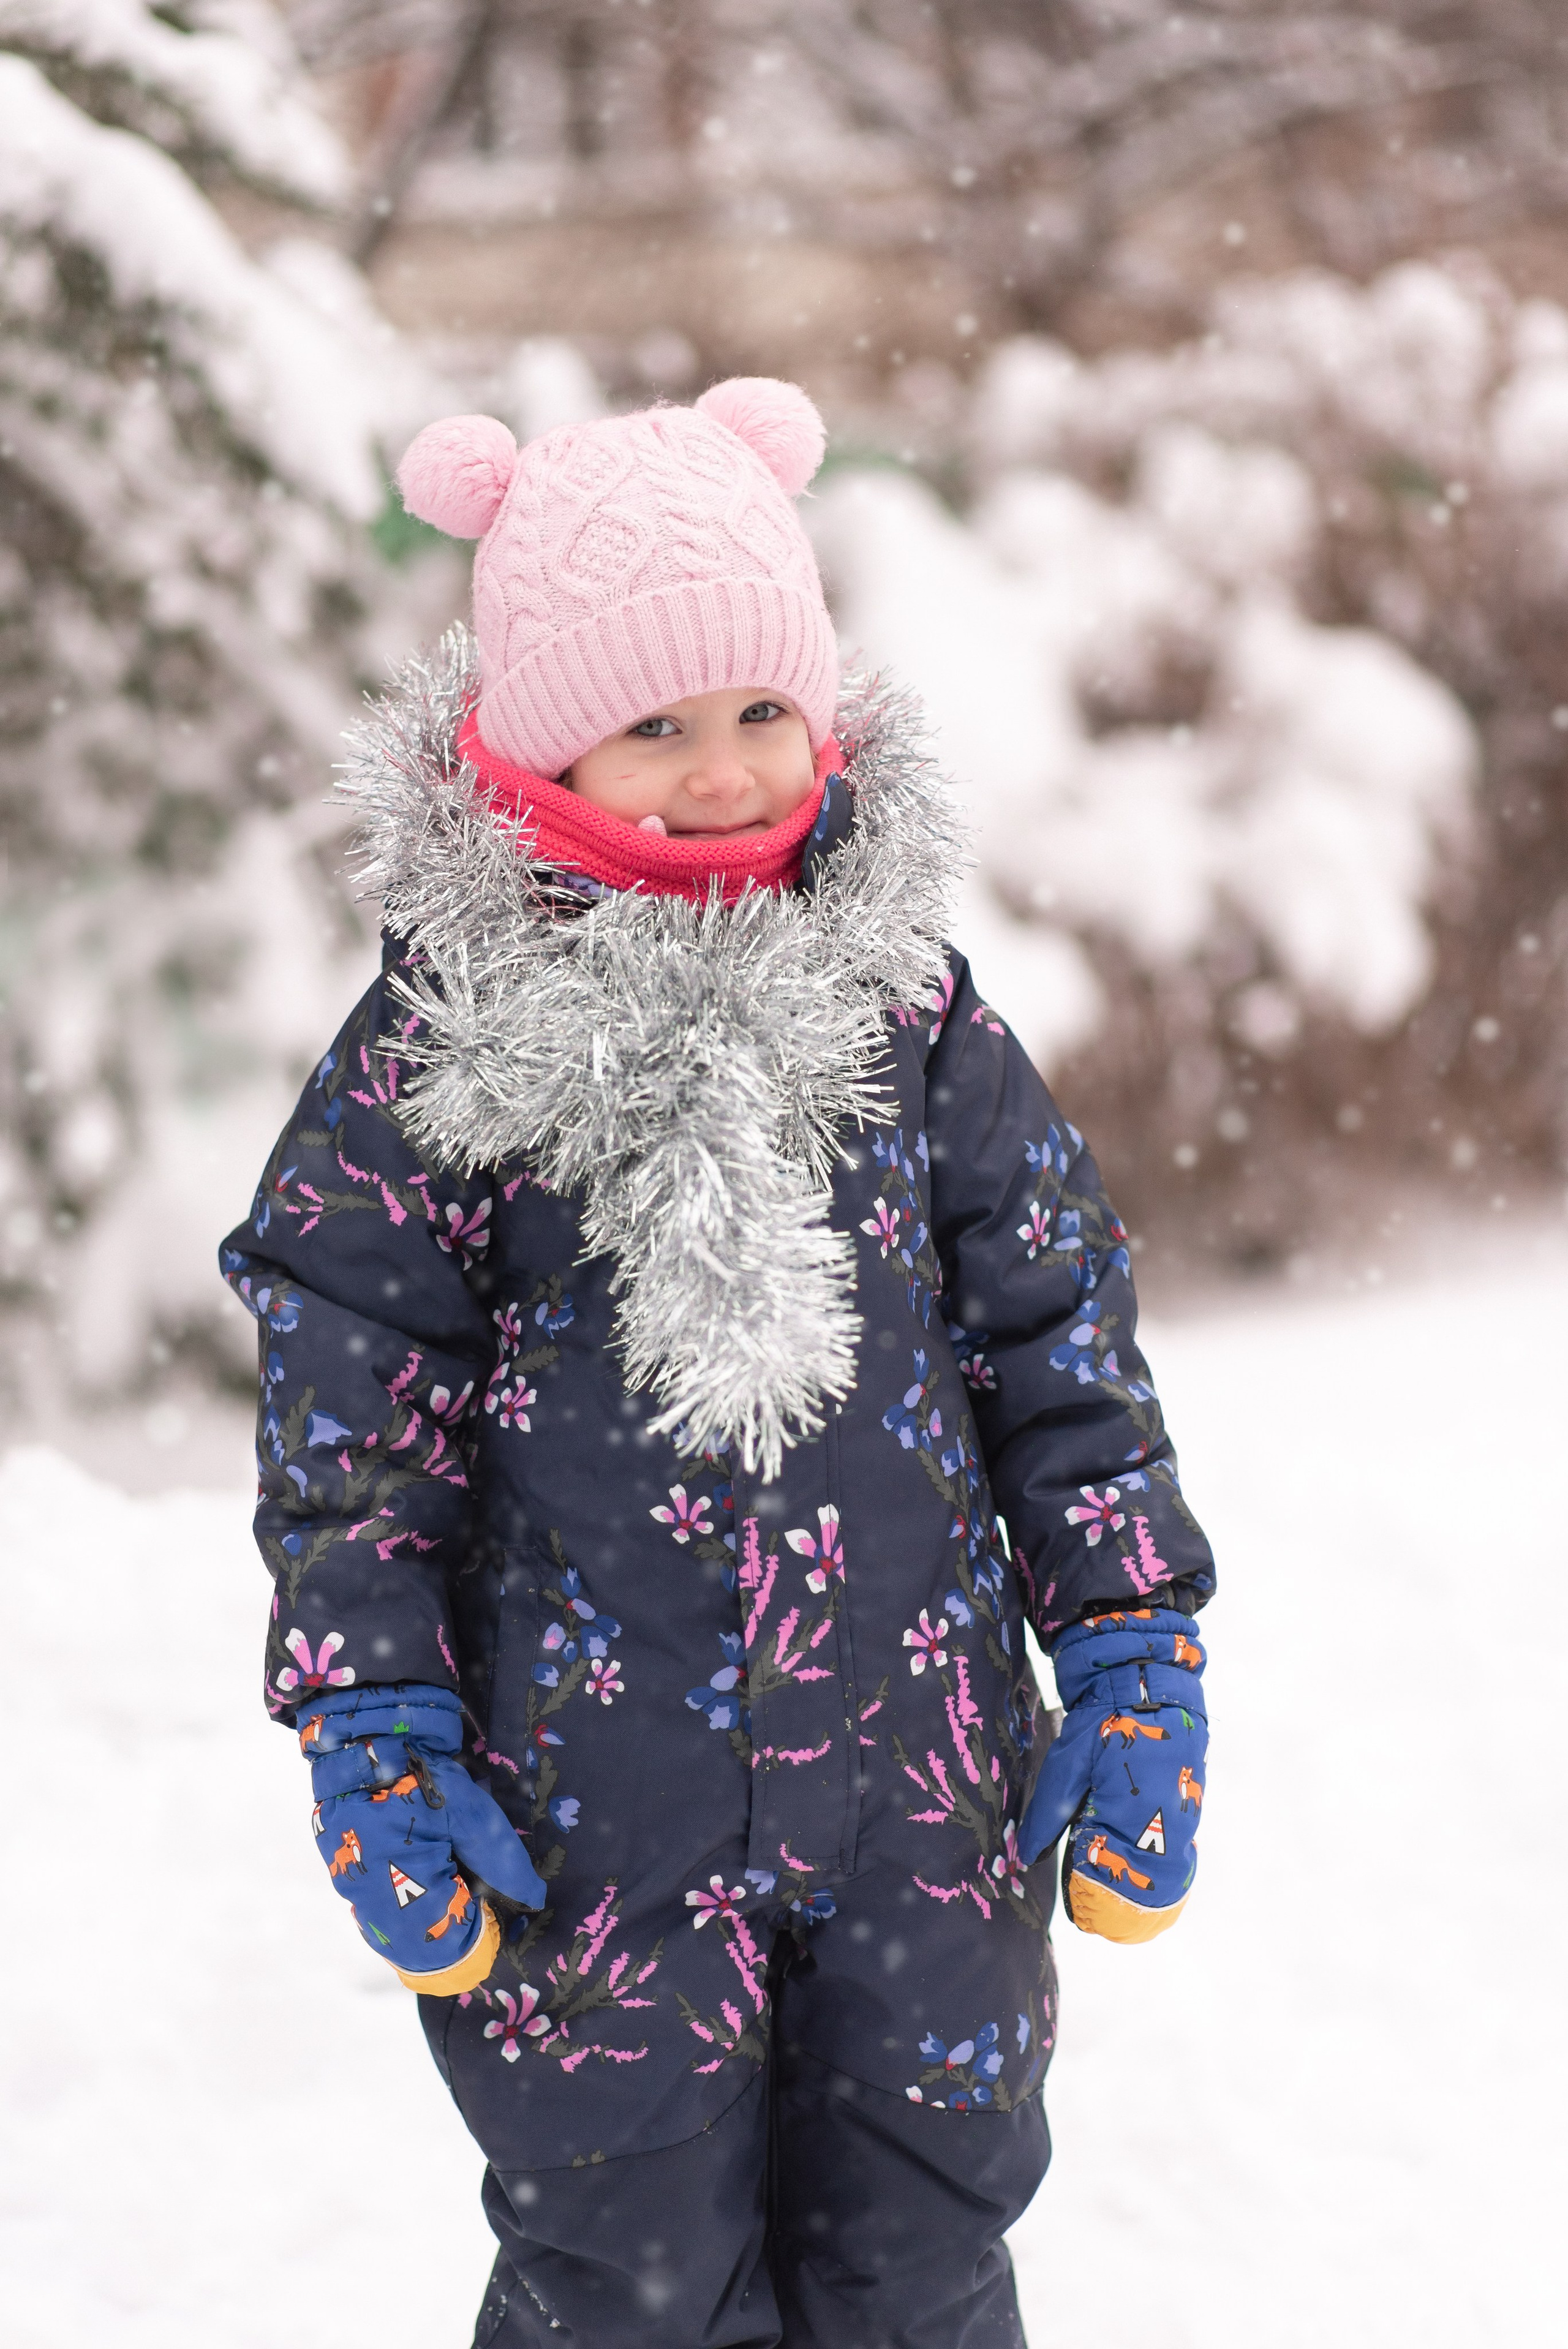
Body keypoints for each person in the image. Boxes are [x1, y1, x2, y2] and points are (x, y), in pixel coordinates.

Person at [219, 376, 1215, 2349]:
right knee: (629, 2284)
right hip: (593, 1832)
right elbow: (353, 1412)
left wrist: (1126, 1639)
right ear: (526, 747)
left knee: (919, 2265)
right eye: (653, 723)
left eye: (761, 708)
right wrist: (374, 1721)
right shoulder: (448, 1047)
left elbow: (1058, 1332)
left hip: (928, 1799)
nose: (723, 769)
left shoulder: (912, 1011)